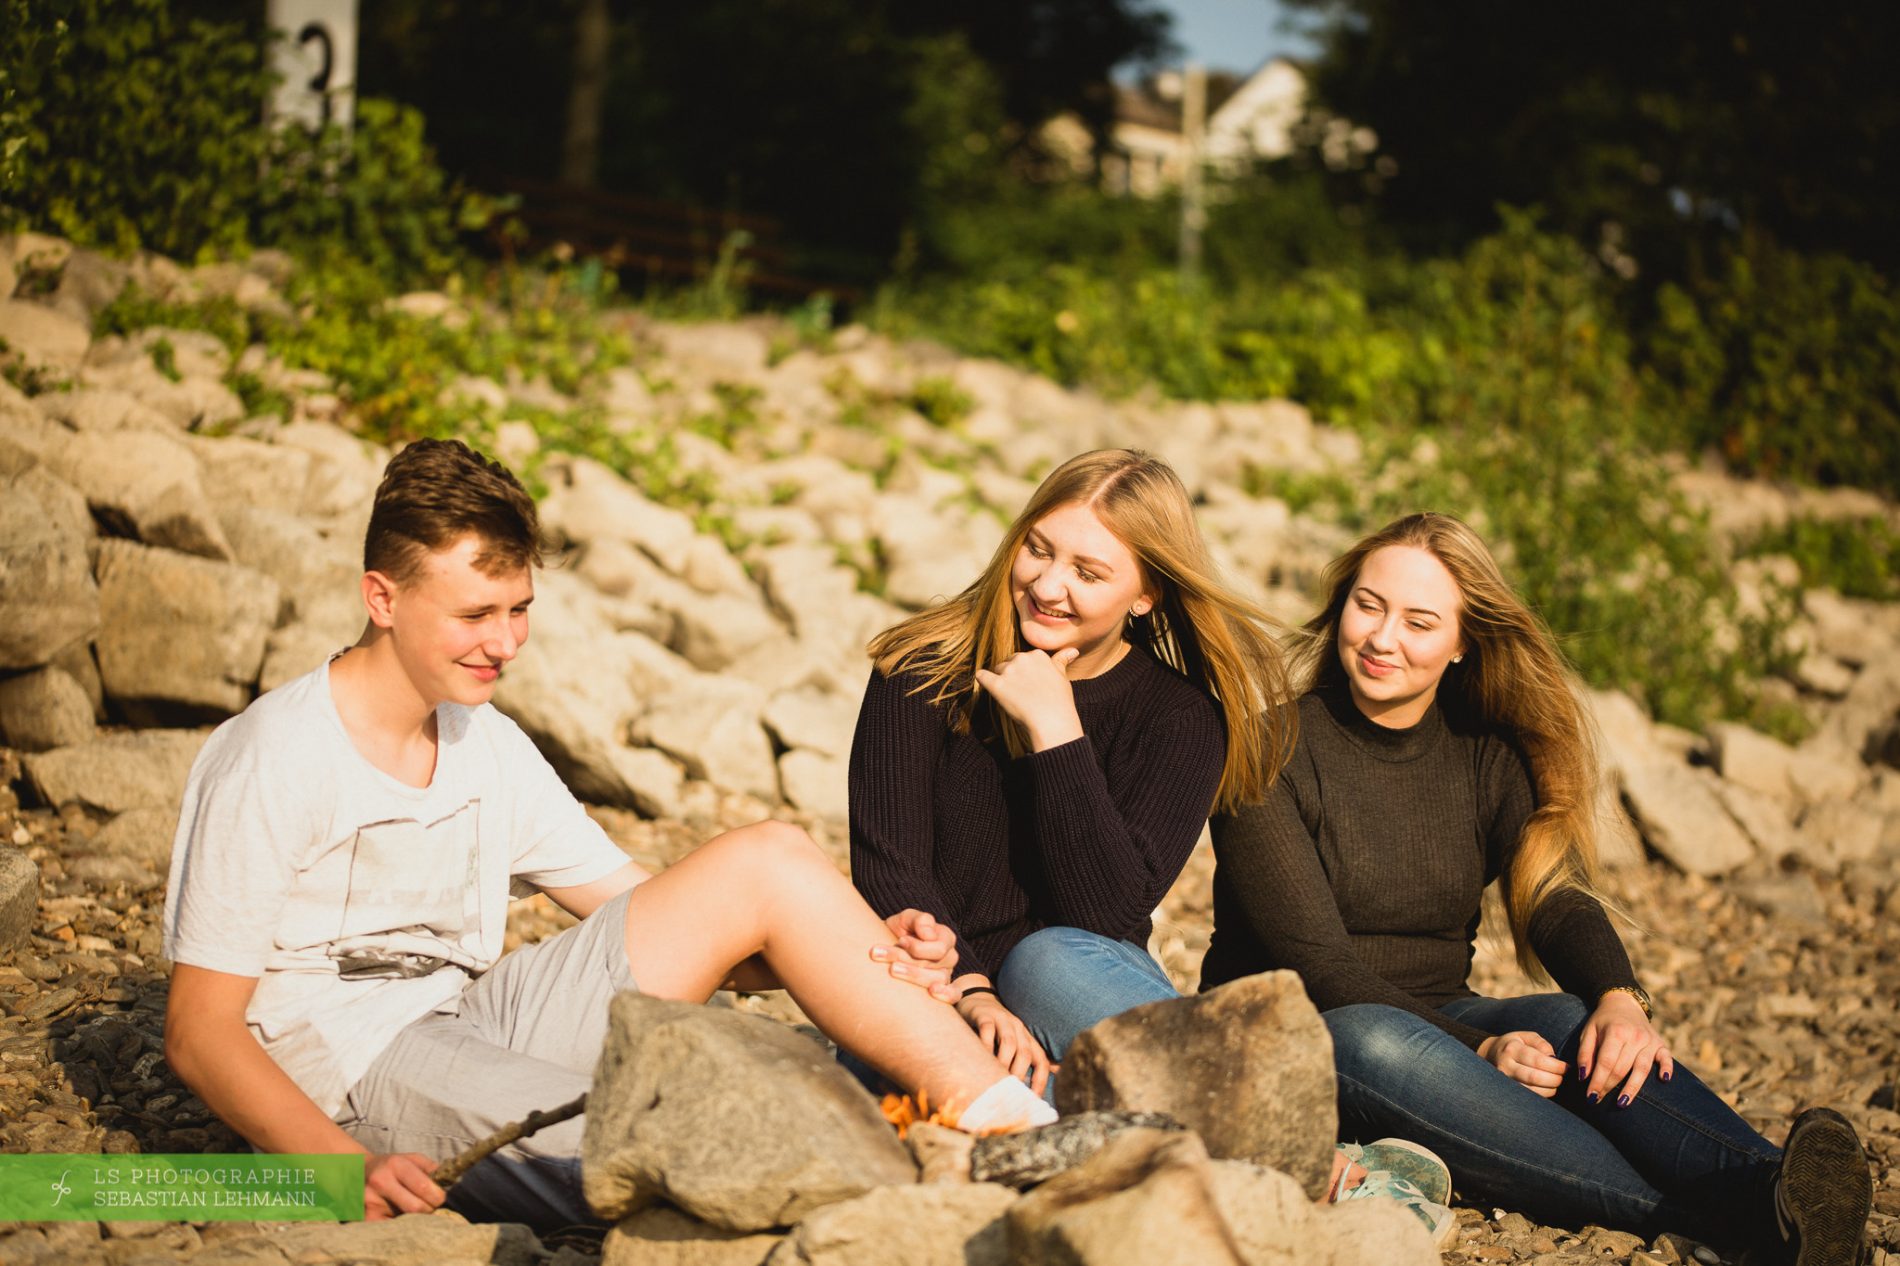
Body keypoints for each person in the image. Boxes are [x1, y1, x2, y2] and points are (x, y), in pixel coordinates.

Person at [161, 439, 1054, 1230]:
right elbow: (201, 1035)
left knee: (772, 859)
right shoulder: (272, 756)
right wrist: (333, 1168)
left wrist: (850, 942)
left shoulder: (485, 739)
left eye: (519, 610)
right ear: (381, 598)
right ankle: (932, 1171)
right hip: (354, 1075)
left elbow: (669, 920)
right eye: (475, 615)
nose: (505, 643)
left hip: (479, 1015)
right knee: (680, 1118)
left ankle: (1023, 1130)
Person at [1205, 511, 1872, 1264]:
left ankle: (1778, 1186)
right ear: (1339, 608)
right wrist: (1482, 1048)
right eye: (1369, 605)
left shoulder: (1484, 755)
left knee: (1567, 1017)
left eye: (1420, 622)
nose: (1383, 638)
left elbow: (1554, 896)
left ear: (1463, 644)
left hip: (1441, 1016)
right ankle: (1745, 1214)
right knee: (1372, 1037)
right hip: (1295, 1036)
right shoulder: (1266, 750)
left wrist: (1620, 998)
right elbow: (1320, 968)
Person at [848, 448, 1295, 1093]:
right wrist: (972, 992)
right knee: (912, 1074)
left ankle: (1226, 1105)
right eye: (1038, 549)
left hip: (1076, 990)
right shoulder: (923, 668)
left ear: (1145, 595)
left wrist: (1056, 733)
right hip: (940, 979)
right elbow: (890, 869)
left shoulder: (1183, 718)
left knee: (1044, 962)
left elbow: (1106, 917)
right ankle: (1158, 1115)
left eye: (1088, 572)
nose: (1047, 586)